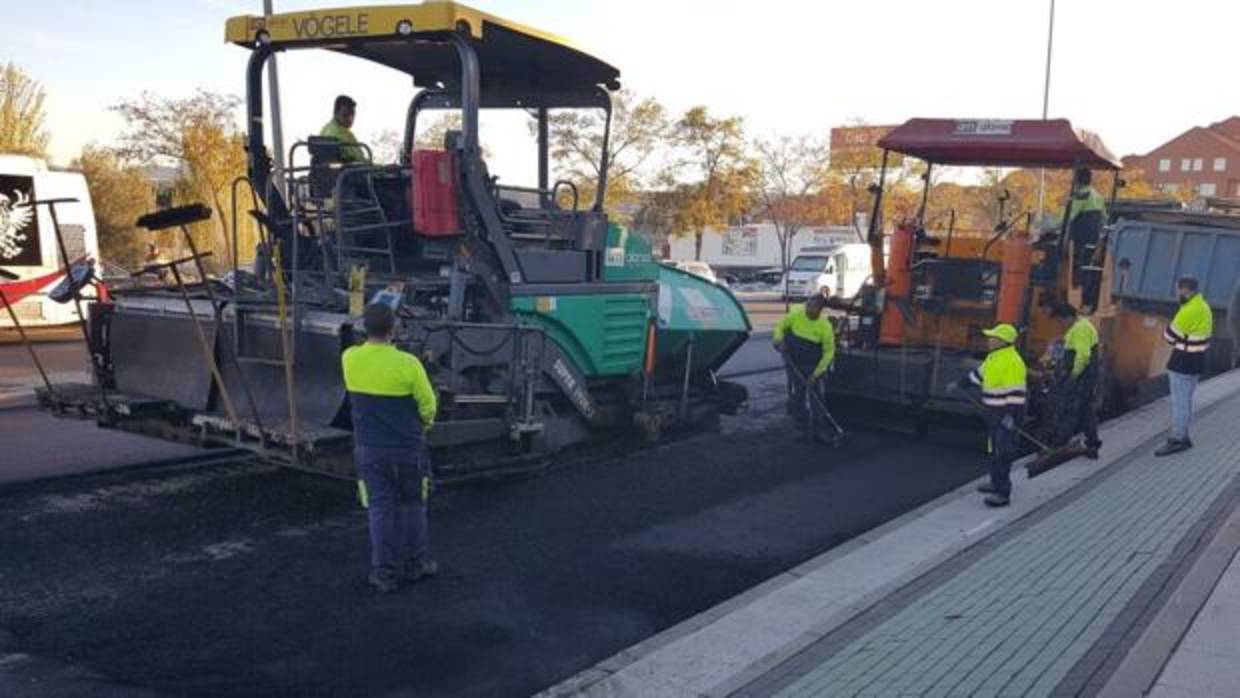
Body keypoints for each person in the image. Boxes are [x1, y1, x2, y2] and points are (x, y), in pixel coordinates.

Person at [341, 303, 439, 592]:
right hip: (408, 450)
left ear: (364, 329)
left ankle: (384, 573)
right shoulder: (409, 364)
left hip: (369, 451)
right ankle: (416, 564)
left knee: (380, 509)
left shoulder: (350, 359)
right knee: (413, 506)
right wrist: (425, 425)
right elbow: (428, 406)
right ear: (394, 329)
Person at [949, 323, 1027, 507]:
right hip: (993, 414)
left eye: (993, 337)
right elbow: (978, 375)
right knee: (993, 450)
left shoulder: (1013, 362)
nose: (989, 340)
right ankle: (994, 482)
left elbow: (1017, 395)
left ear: (1002, 341)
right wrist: (959, 384)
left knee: (1002, 453)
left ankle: (1002, 493)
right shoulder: (993, 358)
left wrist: (1011, 418)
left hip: (1005, 416)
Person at [1155, 276, 1213, 456]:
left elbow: (1168, 336)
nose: (1176, 293)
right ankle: (1184, 436)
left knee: (1180, 402)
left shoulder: (1188, 310)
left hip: (1182, 362)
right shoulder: (1204, 306)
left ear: (1185, 290)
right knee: (1186, 400)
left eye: (1177, 290)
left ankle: (1178, 439)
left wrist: (1175, 333)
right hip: (1197, 361)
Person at [773, 294, 836, 442]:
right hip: (794, 363)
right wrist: (778, 340)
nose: (808, 309)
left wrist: (816, 374)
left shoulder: (824, 326)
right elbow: (780, 327)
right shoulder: (796, 315)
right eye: (808, 305)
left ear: (820, 310)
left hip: (814, 366)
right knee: (798, 398)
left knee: (817, 399)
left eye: (812, 307)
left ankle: (819, 431)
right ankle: (803, 429)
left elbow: (829, 353)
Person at [1056, 303, 1102, 459]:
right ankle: (1093, 445)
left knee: (1071, 408)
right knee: (1085, 411)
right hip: (1086, 376)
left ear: (1068, 317)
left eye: (1060, 321)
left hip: (1082, 377)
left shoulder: (1081, 328)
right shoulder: (1081, 326)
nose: (1060, 325)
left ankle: (1060, 445)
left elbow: (1083, 355)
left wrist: (1074, 375)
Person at [320, 94, 368, 164]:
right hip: (352, 172)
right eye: (345, 115)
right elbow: (357, 160)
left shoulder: (327, 128)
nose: (350, 118)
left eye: (353, 114)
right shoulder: (336, 134)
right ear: (336, 113)